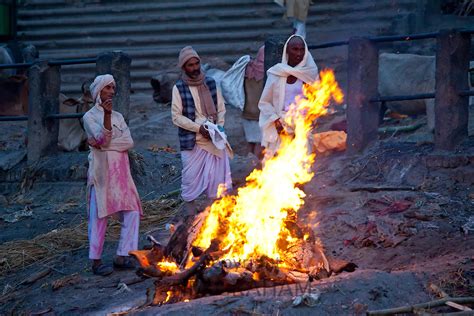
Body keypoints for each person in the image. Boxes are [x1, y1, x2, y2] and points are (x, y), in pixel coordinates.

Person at [83, 74, 142, 276]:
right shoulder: (89, 117)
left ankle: (122, 255)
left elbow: (128, 142)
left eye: (113, 87)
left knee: (132, 212)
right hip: (101, 174)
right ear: (99, 91)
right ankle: (96, 261)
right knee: (99, 216)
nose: (112, 91)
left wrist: (104, 146)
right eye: (108, 87)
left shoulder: (118, 116)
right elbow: (102, 140)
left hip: (122, 173)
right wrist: (103, 141)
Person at [171, 46, 232, 204]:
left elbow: (221, 109)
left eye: (196, 64)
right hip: (192, 140)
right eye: (190, 65)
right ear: (184, 67)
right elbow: (176, 117)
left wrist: (217, 128)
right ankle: (190, 219)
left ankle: (215, 220)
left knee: (217, 184)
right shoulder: (178, 88)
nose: (194, 68)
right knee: (189, 183)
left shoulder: (210, 83)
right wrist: (199, 128)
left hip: (214, 139)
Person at [258, 35, 319, 159]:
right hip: (279, 125)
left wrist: (306, 122)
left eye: (302, 49)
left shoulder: (309, 74)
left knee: (301, 164)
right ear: (287, 51)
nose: (299, 53)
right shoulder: (276, 73)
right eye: (295, 49)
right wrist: (276, 121)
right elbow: (264, 102)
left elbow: (317, 102)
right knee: (276, 163)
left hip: (302, 127)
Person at [242, 45, 265, 159]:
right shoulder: (267, 73)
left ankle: (249, 162)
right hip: (259, 114)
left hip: (246, 112)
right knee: (260, 142)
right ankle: (256, 166)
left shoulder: (248, 69)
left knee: (250, 141)